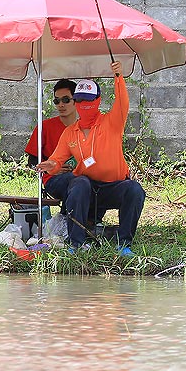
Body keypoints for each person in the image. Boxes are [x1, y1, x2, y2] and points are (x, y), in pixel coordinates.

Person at [37, 60, 145, 256]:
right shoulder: (70, 132)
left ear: (97, 101)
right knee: (79, 183)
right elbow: (56, 161)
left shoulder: (112, 122)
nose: (84, 105)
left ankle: (124, 244)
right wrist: (49, 165)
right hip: (86, 190)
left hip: (112, 187)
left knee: (135, 190)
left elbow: (122, 103)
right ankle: (76, 244)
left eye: (89, 101)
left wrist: (119, 78)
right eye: (79, 101)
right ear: (76, 103)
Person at [25, 78, 78, 200]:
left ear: (76, 101)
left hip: (81, 176)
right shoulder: (45, 127)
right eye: (57, 101)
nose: (61, 105)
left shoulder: (85, 127)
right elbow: (32, 162)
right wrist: (51, 169)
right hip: (53, 179)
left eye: (65, 100)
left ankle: (89, 218)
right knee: (78, 182)